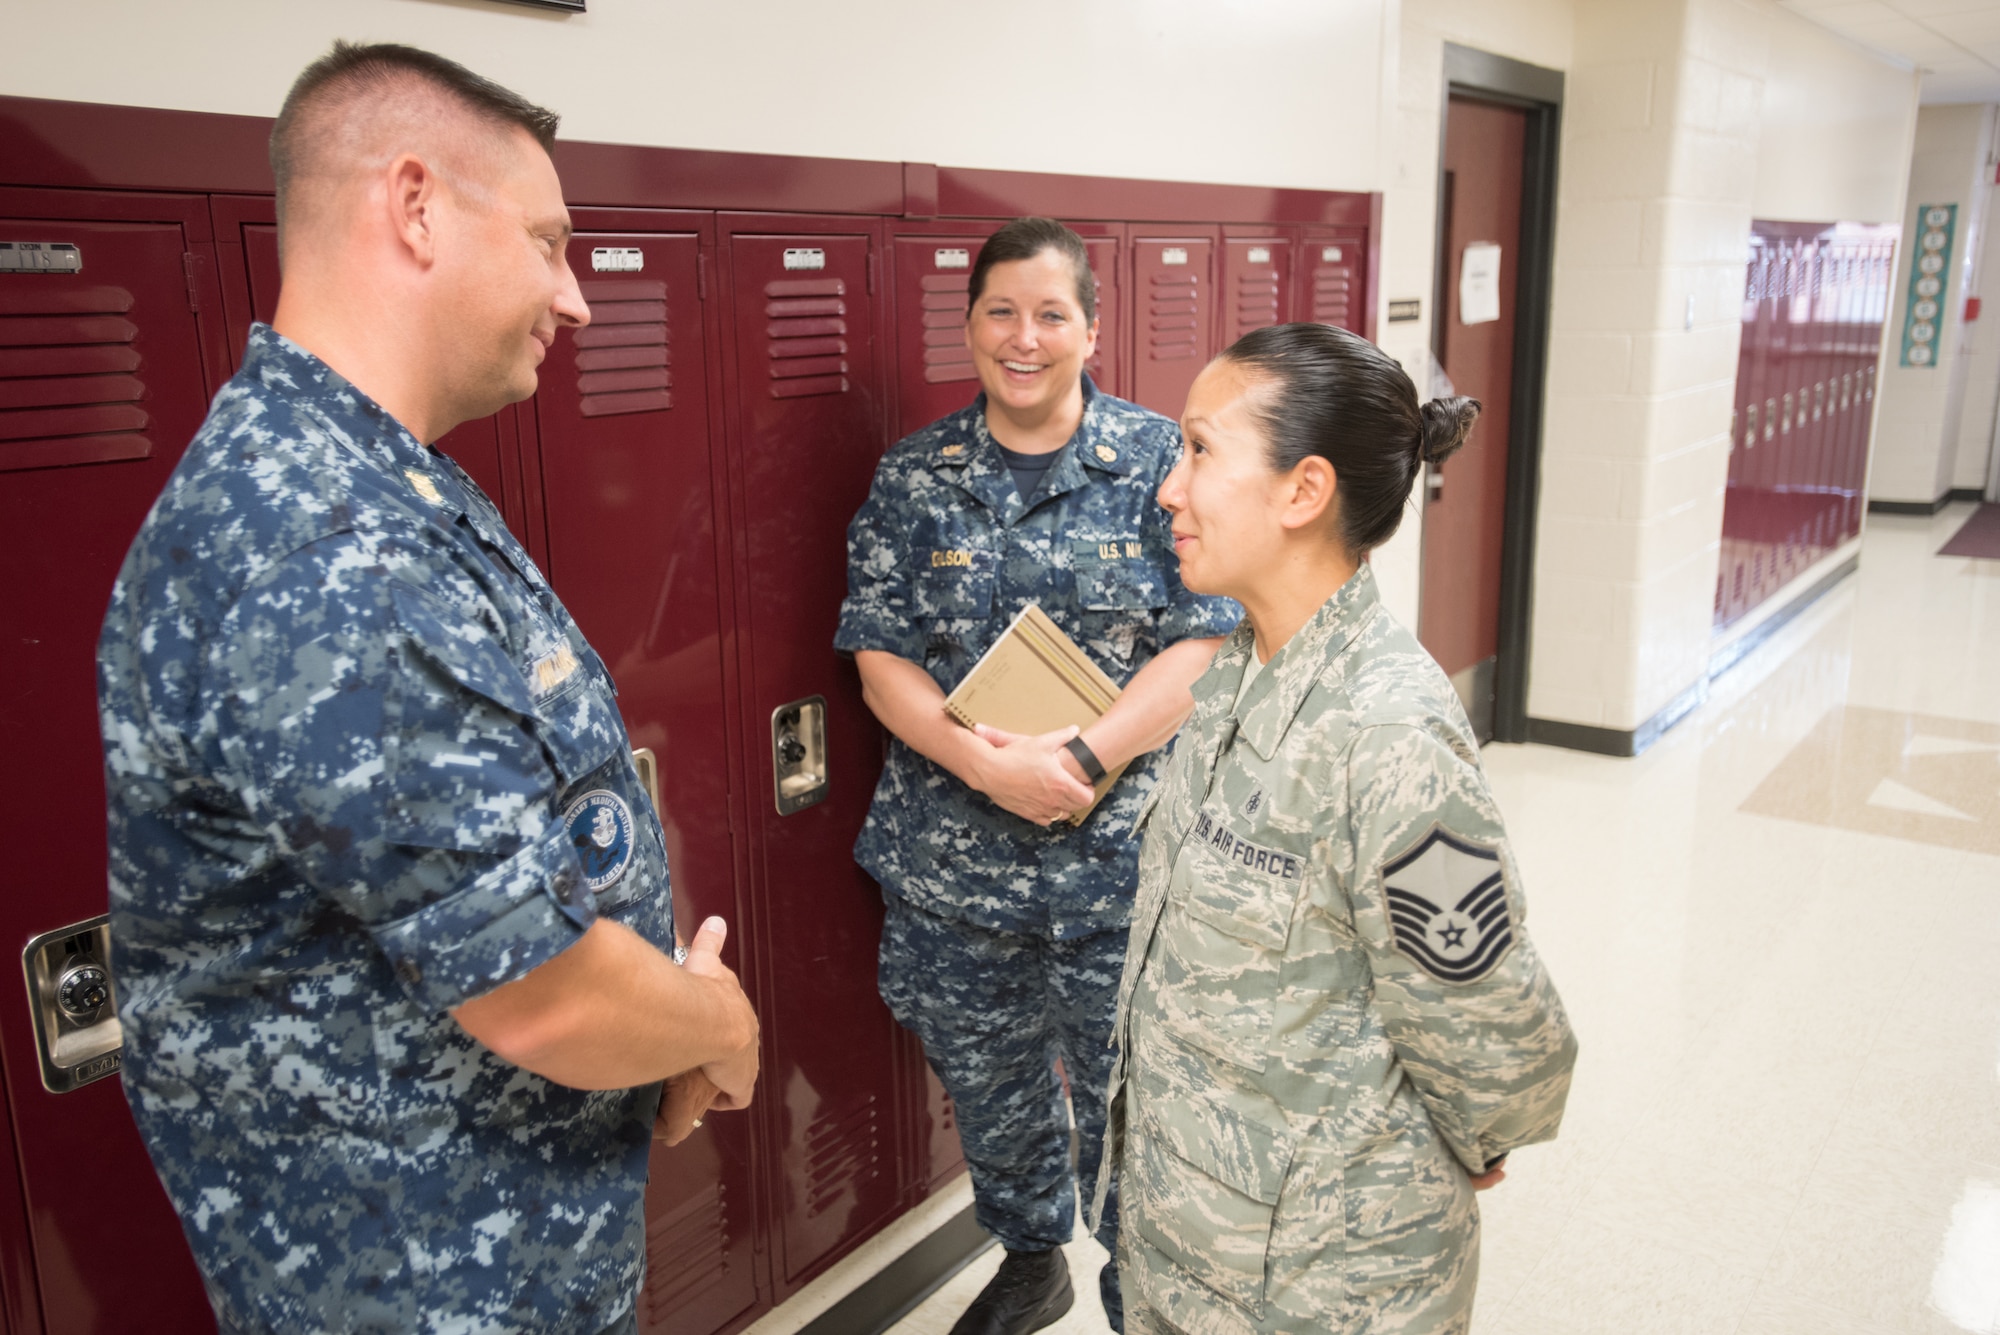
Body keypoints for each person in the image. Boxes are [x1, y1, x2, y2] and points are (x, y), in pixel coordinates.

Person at [96, 43, 759, 1335]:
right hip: (429, 1289)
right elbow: (547, 985)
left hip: (505, 1258)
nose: (576, 297)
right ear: (414, 207)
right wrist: (711, 1025)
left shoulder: (371, 482)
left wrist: (648, 1040)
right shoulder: (323, 550)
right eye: (552, 242)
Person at [1097, 323, 1577, 1335]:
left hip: (1322, 1282)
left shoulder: (1387, 733)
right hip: (1187, 1237)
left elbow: (1490, 1027)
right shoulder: (1231, 671)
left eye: (1197, 451)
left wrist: (1473, 1137)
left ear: (1301, 492)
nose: (1166, 490)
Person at [835, 218, 1239, 1335]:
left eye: (1049, 314)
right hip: (956, 866)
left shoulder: (1162, 462)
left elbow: (1203, 641)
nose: (1024, 338)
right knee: (991, 1082)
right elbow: (879, 656)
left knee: (1133, 1095)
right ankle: (1028, 1255)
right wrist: (977, 762)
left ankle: (1137, 1285)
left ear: (1091, 329)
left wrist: (1083, 755)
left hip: (1122, 859)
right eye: (1000, 313)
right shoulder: (915, 478)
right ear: (968, 327)